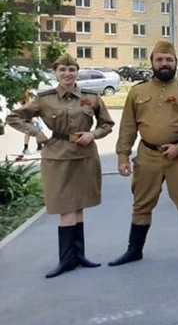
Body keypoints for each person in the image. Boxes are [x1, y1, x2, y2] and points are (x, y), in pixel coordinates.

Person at [6, 53, 114, 278]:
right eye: (62, 70)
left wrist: (93, 133)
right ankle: (66, 260)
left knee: (79, 206)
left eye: (72, 69)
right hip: (57, 157)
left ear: (77, 72)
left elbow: (107, 124)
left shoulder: (91, 97)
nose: (67, 74)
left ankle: (79, 256)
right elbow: (14, 117)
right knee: (65, 207)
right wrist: (36, 132)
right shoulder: (45, 98)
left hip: (84, 156)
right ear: (55, 73)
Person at [110, 41, 178, 266]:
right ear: (152, 62)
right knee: (141, 204)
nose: (164, 63)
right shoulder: (138, 92)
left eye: (169, 59)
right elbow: (128, 127)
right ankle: (134, 250)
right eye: (160, 59)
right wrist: (122, 156)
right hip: (148, 156)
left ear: (176, 63)